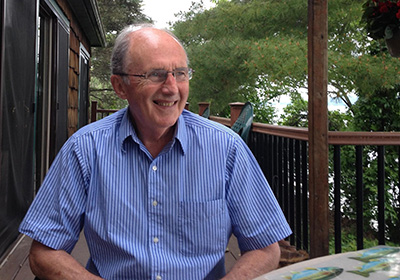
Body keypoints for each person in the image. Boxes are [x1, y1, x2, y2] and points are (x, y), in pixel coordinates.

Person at [19, 24, 292, 280]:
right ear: (119, 86)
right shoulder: (85, 149)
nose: (172, 88)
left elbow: (265, 248)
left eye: (180, 73)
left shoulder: (226, 149)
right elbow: (44, 252)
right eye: (155, 74)